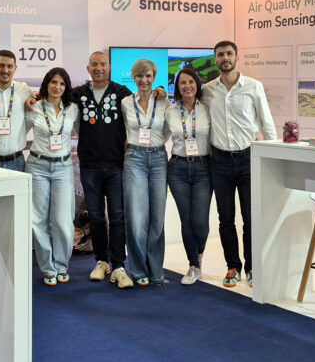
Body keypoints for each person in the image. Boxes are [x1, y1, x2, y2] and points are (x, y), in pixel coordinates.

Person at [203, 40, 276, 288]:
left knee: (251, 218)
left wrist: (271, 158)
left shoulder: (254, 86)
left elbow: (267, 124)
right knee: (225, 219)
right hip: (219, 162)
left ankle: (253, 267)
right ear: (215, 59)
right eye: (220, 54)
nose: (225, 58)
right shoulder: (208, 90)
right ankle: (232, 267)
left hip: (248, 160)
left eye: (229, 53)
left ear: (236, 57)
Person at [73, 51, 134, 288]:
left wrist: (159, 91)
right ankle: (101, 261)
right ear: (88, 68)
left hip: (116, 165)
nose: (99, 68)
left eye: (102, 64)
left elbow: (142, 103)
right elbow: (52, 95)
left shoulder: (121, 92)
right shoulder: (79, 94)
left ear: (109, 67)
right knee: (97, 217)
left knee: (117, 217)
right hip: (90, 167)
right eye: (94, 64)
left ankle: (118, 265)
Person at [26, 68, 80, 286]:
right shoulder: (33, 107)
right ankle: (48, 268)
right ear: (46, 84)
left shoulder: (73, 109)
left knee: (63, 220)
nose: (57, 87)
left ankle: (61, 265)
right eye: (53, 82)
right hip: (37, 167)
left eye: (62, 84)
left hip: (63, 168)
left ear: (66, 87)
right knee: (37, 220)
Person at [122, 59, 171, 286]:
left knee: (157, 218)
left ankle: (156, 270)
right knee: (136, 218)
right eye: (140, 76)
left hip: (159, 158)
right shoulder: (125, 102)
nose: (144, 80)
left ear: (154, 78)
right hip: (134, 159)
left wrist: (155, 144)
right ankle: (138, 269)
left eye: (148, 76)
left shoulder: (163, 101)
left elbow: (167, 131)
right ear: (134, 78)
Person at [165, 68, 213, 285]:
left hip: (203, 167)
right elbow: (160, 135)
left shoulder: (207, 109)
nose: (187, 86)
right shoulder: (171, 111)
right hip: (178, 168)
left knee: (200, 221)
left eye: (191, 82)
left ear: (197, 84)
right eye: (182, 83)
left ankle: (199, 253)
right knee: (186, 219)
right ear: (177, 87)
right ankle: (193, 265)